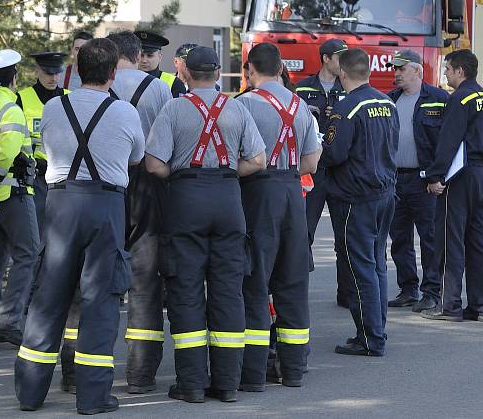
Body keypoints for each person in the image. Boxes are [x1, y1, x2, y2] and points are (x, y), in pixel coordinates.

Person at [15, 37, 145, 414]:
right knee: (100, 300)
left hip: (60, 204)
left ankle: (29, 392)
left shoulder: (55, 107)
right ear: (112, 74)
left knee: (49, 297)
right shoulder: (124, 112)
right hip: (105, 205)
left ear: (79, 69)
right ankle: (92, 397)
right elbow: (136, 156)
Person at [146, 46, 266, 404]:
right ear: (217, 74)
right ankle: (227, 384)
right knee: (228, 291)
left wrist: (180, 176)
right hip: (229, 201)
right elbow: (257, 160)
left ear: (184, 74)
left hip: (186, 200)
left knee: (185, 290)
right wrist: (226, 175)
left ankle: (192, 385)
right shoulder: (237, 107)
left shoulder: (174, 108)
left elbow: (153, 165)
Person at [236, 43, 320, 390]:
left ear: (250, 71)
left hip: (258, 194)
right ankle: (294, 370)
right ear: (282, 67)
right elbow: (312, 164)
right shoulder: (302, 106)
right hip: (292, 194)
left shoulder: (243, 105)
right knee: (293, 282)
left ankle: (254, 374)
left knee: (255, 283)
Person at [106, 30, 172, 394]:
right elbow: (167, 142)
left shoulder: (95, 87)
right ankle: (141, 374)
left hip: (107, 188)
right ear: (136, 55)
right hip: (149, 185)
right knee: (146, 283)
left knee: (97, 280)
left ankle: (74, 371)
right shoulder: (158, 89)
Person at [321, 48, 398, 357]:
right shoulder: (386, 102)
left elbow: (333, 153)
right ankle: (377, 330)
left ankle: (370, 337)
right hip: (385, 193)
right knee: (377, 264)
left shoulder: (347, 107)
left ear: (342, 73)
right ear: (368, 71)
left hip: (355, 198)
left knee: (358, 268)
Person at [422, 49, 483, 323]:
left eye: (448, 69)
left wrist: (435, 176)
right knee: (479, 241)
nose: (445, 73)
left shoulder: (460, 99)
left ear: (460, 71)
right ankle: (482, 307)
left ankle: (450, 305)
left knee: (450, 239)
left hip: (461, 176)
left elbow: (449, 141)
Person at [0, 50, 40, 346]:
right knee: (28, 253)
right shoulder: (9, 107)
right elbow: (9, 151)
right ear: (13, 77)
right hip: (13, 192)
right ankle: (8, 318)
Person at [386, 51, 449, 312]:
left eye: (402, 69)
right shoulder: (389, 100)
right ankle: (408, 289)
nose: (396, 73)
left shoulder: (438, 99)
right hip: (395, 178)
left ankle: (432, 291)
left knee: (429, 238)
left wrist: (438, 176)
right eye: (395, 69)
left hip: (425, 181)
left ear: (418, 71)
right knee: (399, 237)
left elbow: (449, 143)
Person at [295, 38, 348, 306]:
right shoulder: (303, 87)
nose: (344, 63)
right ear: (326, 59)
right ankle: (297, 291)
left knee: (345, 234)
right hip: (313, 170)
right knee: (303, 232)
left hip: (340, 170)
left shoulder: (348, 87)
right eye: (340, 57)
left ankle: (346, 294)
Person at [17, 51, 69, 242]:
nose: (53, 77)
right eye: (48, 73)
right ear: (37, 70)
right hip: (35, 176)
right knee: (36, 236)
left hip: (64, 178)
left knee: (62, 236)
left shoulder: (70, 98)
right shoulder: (21, 99)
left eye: (57, 73)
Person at [135, 31, 187, 98]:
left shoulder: (175, 83)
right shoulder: (126, 79)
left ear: (160, 57)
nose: (144, 60)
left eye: (150, 56)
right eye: (141, 55)